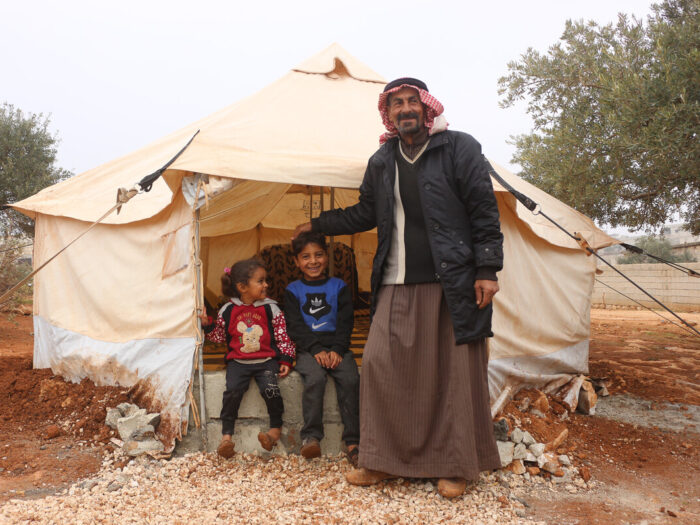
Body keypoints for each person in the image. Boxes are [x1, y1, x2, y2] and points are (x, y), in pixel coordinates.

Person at [293, 77, 503, 498]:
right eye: (397, 104)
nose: (405, 109)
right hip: (394, 282)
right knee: (380, 367)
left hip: (454, 284)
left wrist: (487, 269)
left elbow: (483, 210)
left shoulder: (460, 148)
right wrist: (318, 224)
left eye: (412, 101)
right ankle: (383, 461)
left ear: (427, 108)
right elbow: (365, 212)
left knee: (453, 375)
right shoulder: (382, 159)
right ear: (387, 114)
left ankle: (455, 466)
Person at [201, 257, 296, 458]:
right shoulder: (228, 310)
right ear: (242, 287)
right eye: (260, 281)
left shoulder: (271, 308)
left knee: (271, 391)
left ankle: (274, 431)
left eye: (265, 280)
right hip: (238, 363)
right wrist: (207, 324)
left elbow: (281, 335)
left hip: (266, 362)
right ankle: (226, 438)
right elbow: (219, 336)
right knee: (232, 393)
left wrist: (286, 358)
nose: (266, 285)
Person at [284, 231, 360, 465]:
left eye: (318, 255)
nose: (313, 261)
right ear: (297, 261)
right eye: (305, 257)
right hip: (308, 348)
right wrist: (316, 349)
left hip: (338, 346)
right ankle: (311, 438)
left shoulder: (339, 286)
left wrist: (337, 349)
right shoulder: (293, 290)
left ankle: (354, 442)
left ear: (326, 256)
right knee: (315, 378)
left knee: (350, 378)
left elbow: (347, 321)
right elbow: (295, 326)